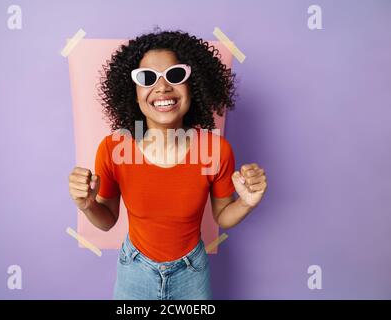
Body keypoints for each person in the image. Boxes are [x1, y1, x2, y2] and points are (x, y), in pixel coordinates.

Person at [68, 29, 267, 300]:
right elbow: (107, 221)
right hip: (134, 271)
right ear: (134, 93)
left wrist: (246, 202)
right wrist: (87, 205)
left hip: (192, 273)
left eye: (175, 75)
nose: (162, 87)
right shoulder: (113, 149)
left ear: (192, 85)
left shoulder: (216, 150)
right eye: (147, 78)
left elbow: (222, 216)